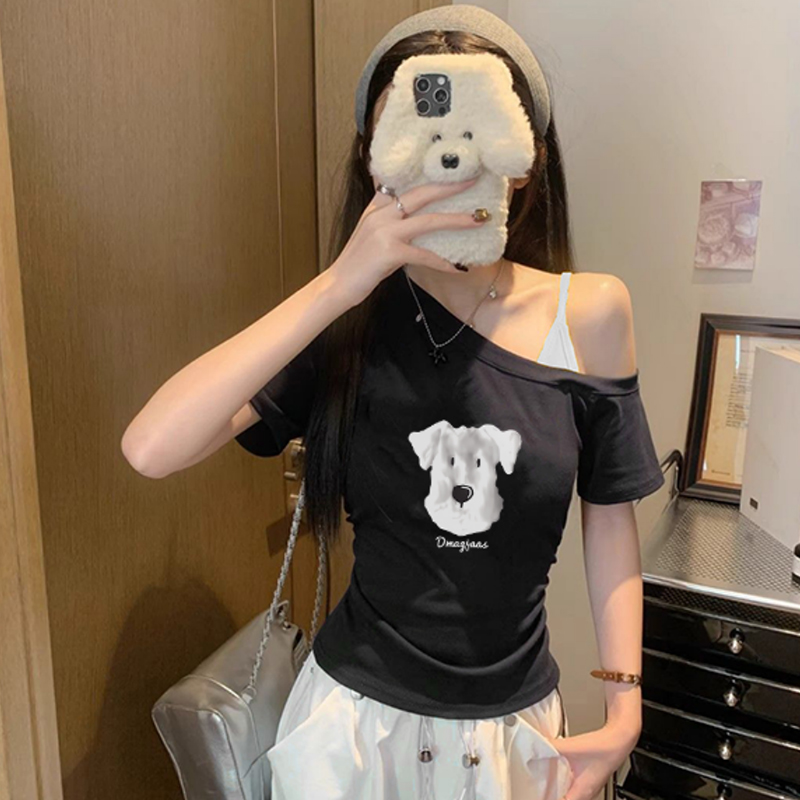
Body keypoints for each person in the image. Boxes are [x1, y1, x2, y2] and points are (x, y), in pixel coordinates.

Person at [122, 6, 664, 799]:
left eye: (475, 129)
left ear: (524, 160)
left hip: (513, 735)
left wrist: (625, 705)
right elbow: (151, 447)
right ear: (374, 160)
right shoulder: (348, 321)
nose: (446, 161)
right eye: (409, 133)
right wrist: (339, 284)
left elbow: (609, 511)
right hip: (350, 729)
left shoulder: (589, 315)